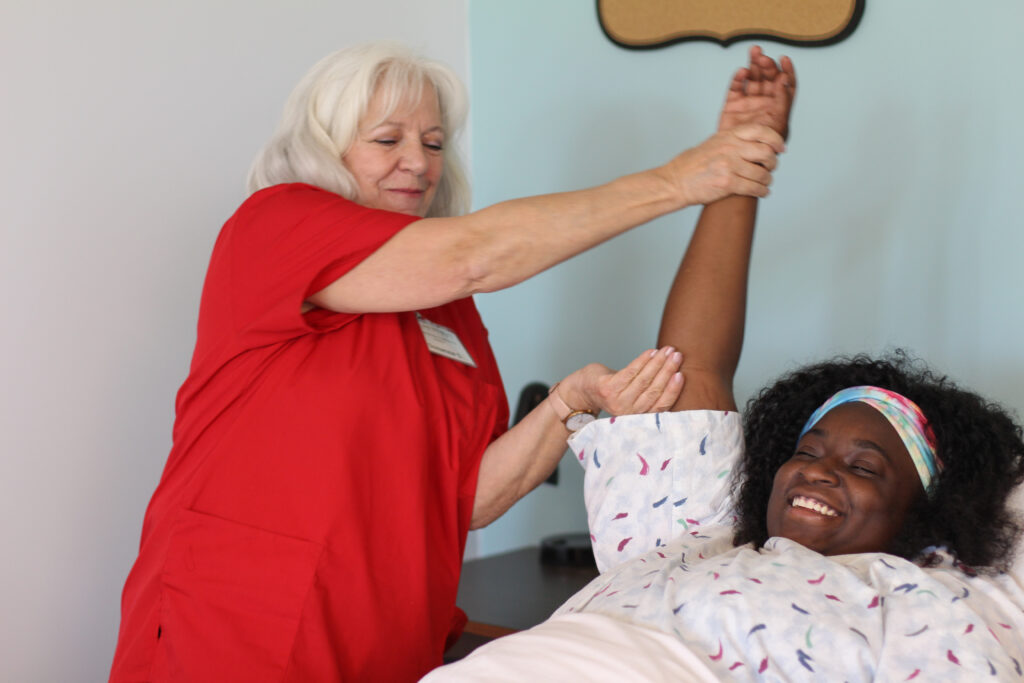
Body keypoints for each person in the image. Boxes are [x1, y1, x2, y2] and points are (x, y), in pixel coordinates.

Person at [109, 42, 785, 682]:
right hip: (238, 628)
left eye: (433, 143)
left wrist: (566, 405)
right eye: (387, 140)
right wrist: (680, 180)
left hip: (388, 638)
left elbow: (464, 498)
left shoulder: (445, 311)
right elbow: (474, 254)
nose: (419, 162)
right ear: (321, 148)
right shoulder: (274, 227)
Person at [425, 49, 1024, 682]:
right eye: (809, 450)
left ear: (925, 512)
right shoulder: (697, 532)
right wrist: (743, 152)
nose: (818, 473)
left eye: (864, 466)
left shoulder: (926, 607)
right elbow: (694, 362)